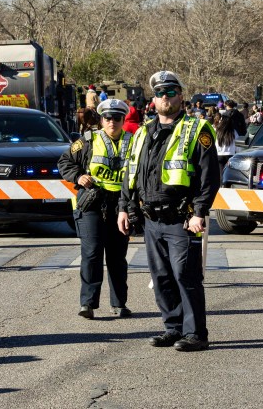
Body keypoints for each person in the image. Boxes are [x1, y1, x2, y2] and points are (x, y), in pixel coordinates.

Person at [117, 71, 220, 352]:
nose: (165, 97)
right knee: (161, 277)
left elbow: (209, 177)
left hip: (182, 218)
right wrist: (124, 208)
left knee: (186, 276)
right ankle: (173, 328)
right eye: (160, 93)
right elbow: (131, 172)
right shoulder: (143, 132)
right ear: (154, 99)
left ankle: (196, 333)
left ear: (181, 96)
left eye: (171, 92)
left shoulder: (197, 129)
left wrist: (199, 212)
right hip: (151, 218)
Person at [58, 99, 134, 320]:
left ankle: (119, 304)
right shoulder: (88, 140)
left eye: (117, 118)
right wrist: (78, 176)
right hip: (92, 203)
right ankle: (88, 304)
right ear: (101, 120)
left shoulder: (133, 141)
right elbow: (64, 162)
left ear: (123, 119)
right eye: (108, 118)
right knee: (91, 254)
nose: (112, 122)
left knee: (117, 257)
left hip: (120, 205)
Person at [215, 113, 237, 177]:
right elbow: (238, 144)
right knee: (230, 174)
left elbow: (214, 143)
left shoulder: (217, 131)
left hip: (219, 154)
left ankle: (221, 183)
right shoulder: (233, 131)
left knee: (221, 174)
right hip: (230, 154)